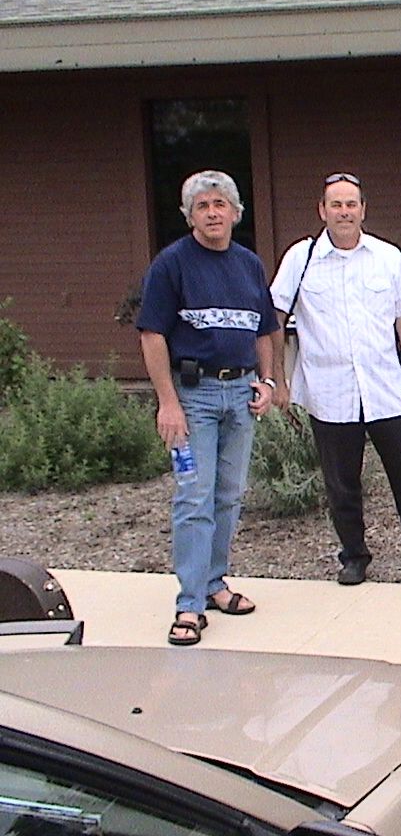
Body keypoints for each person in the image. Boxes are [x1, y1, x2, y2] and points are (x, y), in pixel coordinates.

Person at [269, 172, 401, 587]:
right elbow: (275, 318)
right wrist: (277, 380)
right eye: (336, 205)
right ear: (322, 211)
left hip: (384, 391)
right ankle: (354, 557)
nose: (344, 212)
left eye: (351, 204)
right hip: (329, 394)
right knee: (342, 485)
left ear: (363, 210)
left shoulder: (387, 257)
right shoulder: (301, 259)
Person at [137, 170, 279, 646]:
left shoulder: (249, 265)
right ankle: (190, 604)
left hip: (240, 395)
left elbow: (265, 330)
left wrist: (267, 382)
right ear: (189, 216)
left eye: (220, 204)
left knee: (229, 495)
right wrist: (168, 402)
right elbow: (152, 335)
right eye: (203, 206)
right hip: (192, 399)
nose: (213, 213)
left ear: (236, 213)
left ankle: (215, 584)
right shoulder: (171, 265)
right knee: (194, 497)